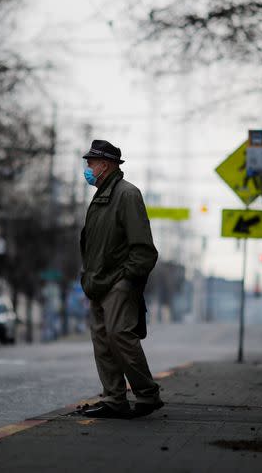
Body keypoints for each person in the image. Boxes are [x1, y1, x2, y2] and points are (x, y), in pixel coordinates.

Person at [79, 139, 162, 419]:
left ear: (105, 165)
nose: (87, 168)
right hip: (98, 283)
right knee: (102, 341)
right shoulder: (101, 197)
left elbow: (143, 248)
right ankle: (114, 399)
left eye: (90, 163)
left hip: (117, 282)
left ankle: (147, 394)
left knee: (119, 336)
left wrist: (128, 280)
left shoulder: (127, 194)